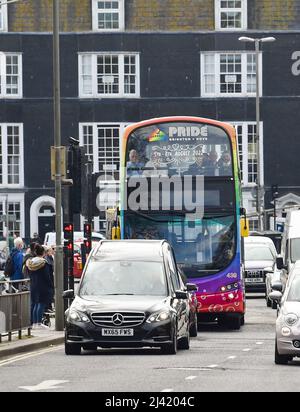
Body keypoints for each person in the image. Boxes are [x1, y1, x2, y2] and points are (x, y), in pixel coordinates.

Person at [26, 244, 53, 330]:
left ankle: (34, 323)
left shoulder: (30, 263)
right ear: (43, 253)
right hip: (42, 286)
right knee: (41, 304)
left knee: (35, 304)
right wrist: (51, 286)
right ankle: (38, 323)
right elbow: (47, 277)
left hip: (33, 285)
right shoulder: (44, 263)